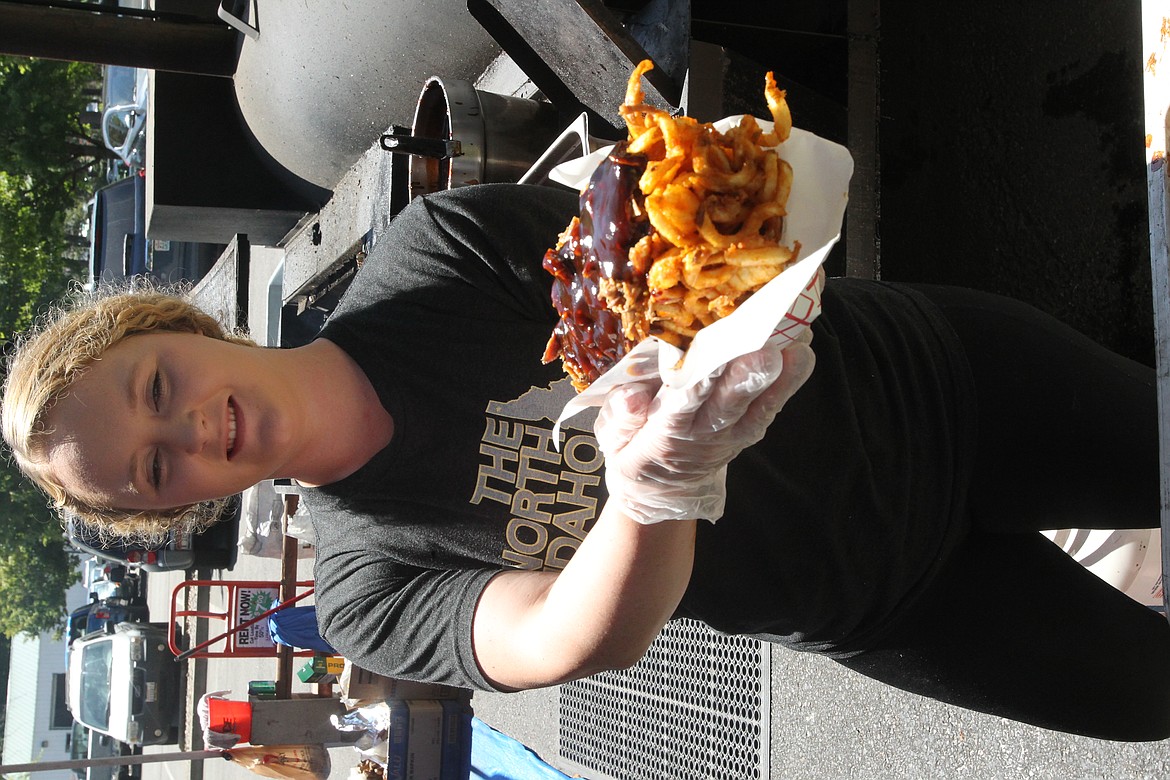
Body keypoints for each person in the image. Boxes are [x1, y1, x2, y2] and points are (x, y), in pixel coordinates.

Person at [4, 183, 1168, 742]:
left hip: (937, 382)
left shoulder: (432, 256)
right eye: (155, 473)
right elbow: (570, 634)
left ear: (180, 331)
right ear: (184, 510)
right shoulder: (361, 595)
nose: (189, 431)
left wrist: (747, 236)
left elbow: (682, 249)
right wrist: (660, 481)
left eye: (156, 390)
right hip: (890, 599)